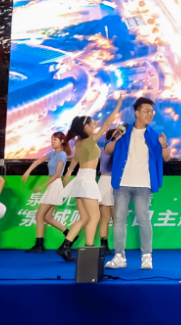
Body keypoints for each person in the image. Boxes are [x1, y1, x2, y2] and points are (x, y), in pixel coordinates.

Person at [105, 97, 171, 270]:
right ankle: (119, 257)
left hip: (143, 183)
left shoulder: (155, 135)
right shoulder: (123, 132)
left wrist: (164, 145)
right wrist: (115, 138)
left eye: (152, 112)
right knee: (119, 220)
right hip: (122, 182)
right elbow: (107, 150)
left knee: (143, 220)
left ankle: (147, 257)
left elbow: (166, 157)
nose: (150, 115)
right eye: (146, 111)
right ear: (137, 113)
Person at [57, 99, 123, 261]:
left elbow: (76, 158)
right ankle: (89, 250)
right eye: (92, 123)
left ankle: (65, 247)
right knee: (94, 217)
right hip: (87, 180)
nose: (95, 124)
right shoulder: (90, 139)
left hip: (81, 179)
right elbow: (107, 124)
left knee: (85, 218)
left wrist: (69, 171)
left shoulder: (79, 142)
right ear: (86, 127)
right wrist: (118, 105)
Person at [20, 131, 71, 253]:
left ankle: (39, 245)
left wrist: (42, 186)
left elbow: (57, 174)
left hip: (55, 185)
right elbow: (38, 161)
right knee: (47, 217)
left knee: (39, 215)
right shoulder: (52, 153)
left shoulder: (62, 154)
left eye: (55, 139)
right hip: (52, 185)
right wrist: (27, 171)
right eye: (52, 139)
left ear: (62, 141)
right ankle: (70, 234)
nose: (52, 141)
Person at [96, 126, 120, 257]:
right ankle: (118, 247)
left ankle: (104, 245)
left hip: (103, 182)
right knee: (117, 218)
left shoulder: (102, 150)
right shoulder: (119, 151)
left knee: (104, 218)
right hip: (115, 183)